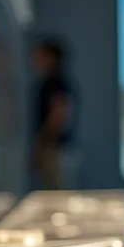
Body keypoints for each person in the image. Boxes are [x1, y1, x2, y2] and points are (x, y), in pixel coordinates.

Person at [32, 38, 76, 189]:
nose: (36, 61)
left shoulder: (56, 84)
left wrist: (41, 145)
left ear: (52, 58)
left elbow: (58, 116)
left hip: (56, 150)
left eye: (41, 56)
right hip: (54, 149)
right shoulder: (53, 83)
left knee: (59, 195)